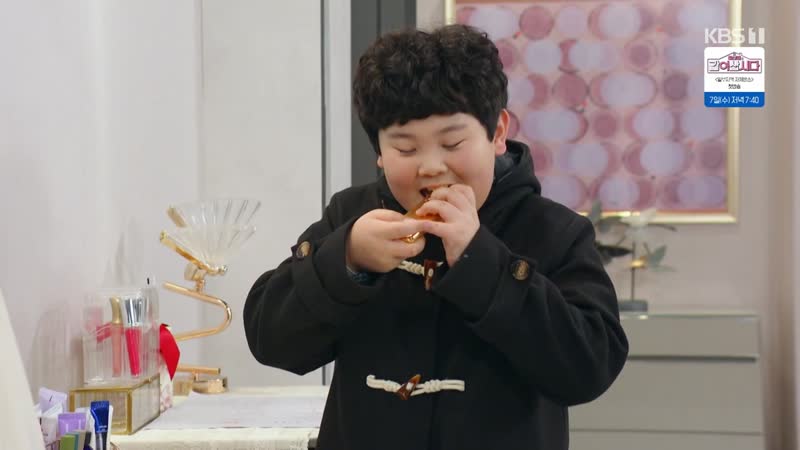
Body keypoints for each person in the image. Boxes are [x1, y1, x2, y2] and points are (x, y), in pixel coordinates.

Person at [244, 24, 628, 450]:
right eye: (406, 149)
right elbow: (270, 340)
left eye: (453, 142)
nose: (430, 166)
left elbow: (589, 368)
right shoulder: (352, 217)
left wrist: (482, 263)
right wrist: (346, 260)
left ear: (498, 133)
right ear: (379, 152)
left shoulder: (553, 230)